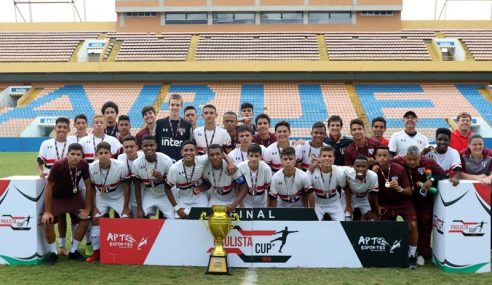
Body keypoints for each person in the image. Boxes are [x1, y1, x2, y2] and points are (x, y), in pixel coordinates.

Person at [392, 145, 447, 266]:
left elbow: (443, 174)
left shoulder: (428, 162)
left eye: (415, 159)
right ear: (405, 157)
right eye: (409, 159)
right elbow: (386, 163)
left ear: (420, 157)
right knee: (411, 224)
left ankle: (423, 252)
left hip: (424, 199)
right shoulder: (398, 161)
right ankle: (409, 250)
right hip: (406, 198)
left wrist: (431, 179)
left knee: (425, 223)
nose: (412, 162)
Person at [41, 143, 92, 264]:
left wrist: (87, 209)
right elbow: (49, 188)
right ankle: (53, 253)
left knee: (85, 220)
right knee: (47, 221)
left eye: (78, 154)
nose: (75, 157)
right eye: (72, 154)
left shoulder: (84, 165)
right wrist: (47, 211)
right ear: (67, 154)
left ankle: (74, 251)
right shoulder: (58, 165)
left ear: (82, 156)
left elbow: (89, 186)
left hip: (73, 196)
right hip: (57, 198)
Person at [374, 146, 418, 269]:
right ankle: (388, 255)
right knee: (384, 229)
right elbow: (372, 193)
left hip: (403, 203)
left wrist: (398, 188)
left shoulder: (399, 169)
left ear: (390, 157)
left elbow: (409, 192)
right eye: (380, 155)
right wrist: (377, 206)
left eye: (385, 155)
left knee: (412, 225)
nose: (382, 158)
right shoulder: (373, 172)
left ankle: (412, 255)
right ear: (375, 157)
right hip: (386, 204)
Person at [86, 142, 128, 263]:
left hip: (118, 197)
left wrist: (125, 206)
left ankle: (123, 250)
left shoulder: (120, 166)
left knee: (126, 218)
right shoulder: (91, 167)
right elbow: (92, 188)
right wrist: (94, 208)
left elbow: (126, 187)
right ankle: (96, 252)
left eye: (106, 153)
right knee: (96, 219)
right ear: (96, 154)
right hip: (101, 197)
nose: (103, 155)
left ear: (110, 154)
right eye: (100, 153)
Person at [37, 117, 72, 256]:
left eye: (64, 127)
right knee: (49, 216)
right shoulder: (46, 143)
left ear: (68, 129)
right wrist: (40, 172)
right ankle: (51, 249)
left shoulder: (73, 143)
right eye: (59, 127)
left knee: (63, 217)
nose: (62, 129)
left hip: (68, 186)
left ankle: (62, 247)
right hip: (50, 186)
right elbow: (39, 162)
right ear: (55, 128)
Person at [132, 135, 175, 219]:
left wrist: (162, 178)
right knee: (140, 215)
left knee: (172, 218)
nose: (148, 148)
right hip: (150, 193)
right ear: (141, 147)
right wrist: (139, 208)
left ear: (156, 146)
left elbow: (172, 184)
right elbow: (137, 186)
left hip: (165, 194)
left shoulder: (166, 160)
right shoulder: (136, 163)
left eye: (151, 145)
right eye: (145, 146)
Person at [166, 140, 211, 218]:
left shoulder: (202, 160)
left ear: (196, 152)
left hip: (200, 197)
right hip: (183, 198)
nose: (189, 153)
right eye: (186, 150)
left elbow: (219, 150)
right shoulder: (174, 169)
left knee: (204, 219)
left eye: (191, 150)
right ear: (181, 152)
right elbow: (167, 188)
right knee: (179, 220)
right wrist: (177, 208)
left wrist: (230, 162)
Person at [308, 146, 347, 221]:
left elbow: (346, 188)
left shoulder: (339, 171)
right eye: (324, 156)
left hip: (334, 202)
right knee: (313, 223)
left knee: (342, 223)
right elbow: (308, 193)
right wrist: (311, 210)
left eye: (330, 156)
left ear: (334, 158)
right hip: (318, 202)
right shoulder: (311, 172)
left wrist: (348, 205)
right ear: (319, 157)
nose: (327, 158)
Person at [203, 144, 248, 211]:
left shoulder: (231, 167)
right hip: (215, 198)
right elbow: (207, 184)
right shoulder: (205, 167)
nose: (215, 157)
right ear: (208, 156)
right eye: (212, 155)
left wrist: (234, 204)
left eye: (217, 154)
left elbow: (244, 187)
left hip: (232, 199)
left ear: (222, 155)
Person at [155, 93, 192, 162]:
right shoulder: (159, 123)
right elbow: (156, 145)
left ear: (181, 107)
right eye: (172, 105)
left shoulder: (187, 125)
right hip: (162, 163)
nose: (175, 107)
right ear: (168, 106)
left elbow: (189, 146)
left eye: (177, 105)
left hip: (180, 164)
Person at [344, 155, 379, 221]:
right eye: (358, 166)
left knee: (372, 220)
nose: (360, 169)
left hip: (364, 198)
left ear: (368, 167)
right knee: (347, 219)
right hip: (349, 198)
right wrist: (348, 205)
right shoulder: (346, 172)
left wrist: (374, 211)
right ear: (353, 166)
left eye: (363, 166)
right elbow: (346, 188)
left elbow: (373, 194)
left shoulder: (373, 176)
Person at [237, 144, 272, 208]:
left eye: (256, 156)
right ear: (247, 156)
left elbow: (269, 190)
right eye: (251, 156)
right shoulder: (240, 167)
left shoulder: (266, 169)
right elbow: (237, 189)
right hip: (245, 202)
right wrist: (241, 206)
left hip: (262, 203)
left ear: (261, 157)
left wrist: (267, 207)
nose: (254, 159)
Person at [118, 135, 144, 218]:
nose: (129, 149)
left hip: (142, 193)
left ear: (137, 147)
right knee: (126, 216)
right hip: (127, 193)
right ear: (123, 148)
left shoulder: (143, 157)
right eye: (126, 147)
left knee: (141, 217)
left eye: (131, 146)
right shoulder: (120, 159)